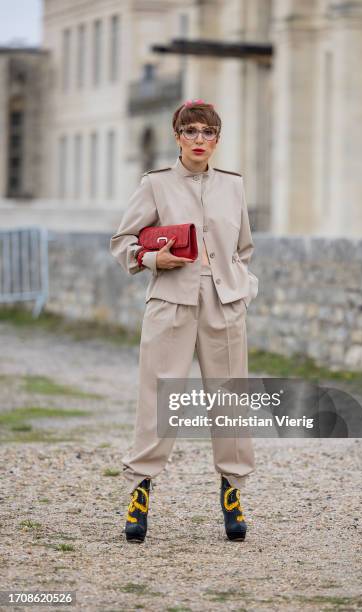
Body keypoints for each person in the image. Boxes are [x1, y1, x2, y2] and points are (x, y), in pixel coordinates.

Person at [110, 98, 259, 543]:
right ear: (177, 136)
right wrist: (154, 257)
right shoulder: (155, 184)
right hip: (170, 302)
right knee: (159, 398)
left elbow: (243, 248)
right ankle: (140, 492)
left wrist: (242, 287)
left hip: (224, 303)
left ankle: (232, 493)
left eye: (208, 133)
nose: (200, 140)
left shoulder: (233, 186)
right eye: (191, 131)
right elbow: (122, 242)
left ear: (217, 139)